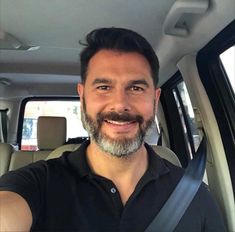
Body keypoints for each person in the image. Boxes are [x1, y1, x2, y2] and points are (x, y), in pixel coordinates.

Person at [0, 28, 226, 232]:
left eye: (136, 87)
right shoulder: (35, 184)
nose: (120, 104)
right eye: (103, 87)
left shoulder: (194, 196)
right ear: (83, 96)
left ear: (155, 99)